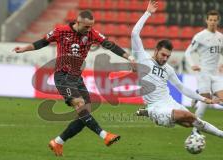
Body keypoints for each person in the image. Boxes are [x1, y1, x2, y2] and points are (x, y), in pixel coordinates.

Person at [13, 10, 136, 156]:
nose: (89, 30)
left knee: (85, 114)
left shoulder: (92, 34)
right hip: (63, 77)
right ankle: (105, 135)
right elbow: (43, 42)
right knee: (79, 105)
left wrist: (130, 58)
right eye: (86, 27)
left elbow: (111, 45)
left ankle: (58, 142)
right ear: (77, 23)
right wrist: (24, 49)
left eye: (91, 26)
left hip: (77, 77)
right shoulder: (61, 31)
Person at [133, 0, 223, 139]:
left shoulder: (168, 69)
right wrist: (147, 13)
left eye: (168, 57)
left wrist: (205, 100)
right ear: (156, 50)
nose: (165, 59)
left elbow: (182, 88)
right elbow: (134, 34)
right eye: (163, 55)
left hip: (170, 102)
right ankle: (148, 112)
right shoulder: (142, 58)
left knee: (193, 122)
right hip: (156, 107)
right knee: (188, 116)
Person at [185, 10, 223, 134]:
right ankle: (195, 130)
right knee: (206, 102)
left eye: (215, 20)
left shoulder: (220, 37)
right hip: (203, 73)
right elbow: (188, 52)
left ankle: (198, 94)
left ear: (218, 21)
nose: (212, 22)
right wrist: (192, 65)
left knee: (221, 100)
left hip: (215, 75)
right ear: (206, 20)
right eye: (210, 20)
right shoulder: (200, 36)